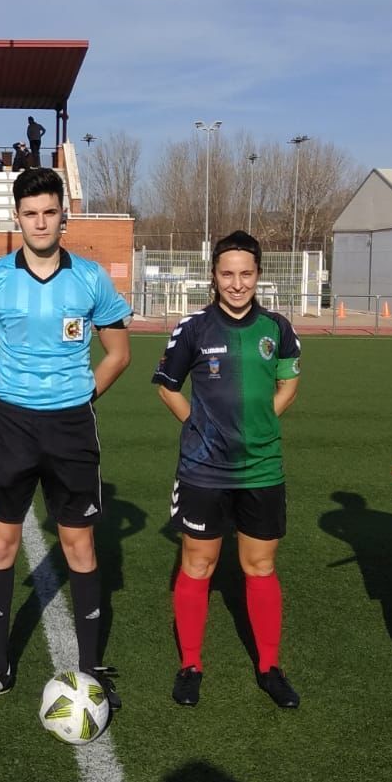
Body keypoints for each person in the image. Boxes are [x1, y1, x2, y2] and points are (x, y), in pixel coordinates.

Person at [0, 166, 133, 708]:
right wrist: (12, 391)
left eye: (49, 212)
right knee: (2, 543)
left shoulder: (89, 277)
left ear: (64, 215)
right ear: (17, 217)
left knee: (78, 545)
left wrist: (81, 396)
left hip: (71, 427)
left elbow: (119, 353)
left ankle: (88, 671)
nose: (40, 222)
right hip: (11, 425)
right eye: (30, 213)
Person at [152, 230, 302, 709]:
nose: (237, 284)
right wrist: (201, 427)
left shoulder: (278, 328)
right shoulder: (193, 328)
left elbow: (288, 384)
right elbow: (168, 387)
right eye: (227, 274)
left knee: (260, 566)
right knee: (199, 564)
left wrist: (258, 425)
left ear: (258, 276)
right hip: (204, 469)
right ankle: (190, 665)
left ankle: (269, 667)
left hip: (262, 468)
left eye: (246, 274)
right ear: (213, 277)